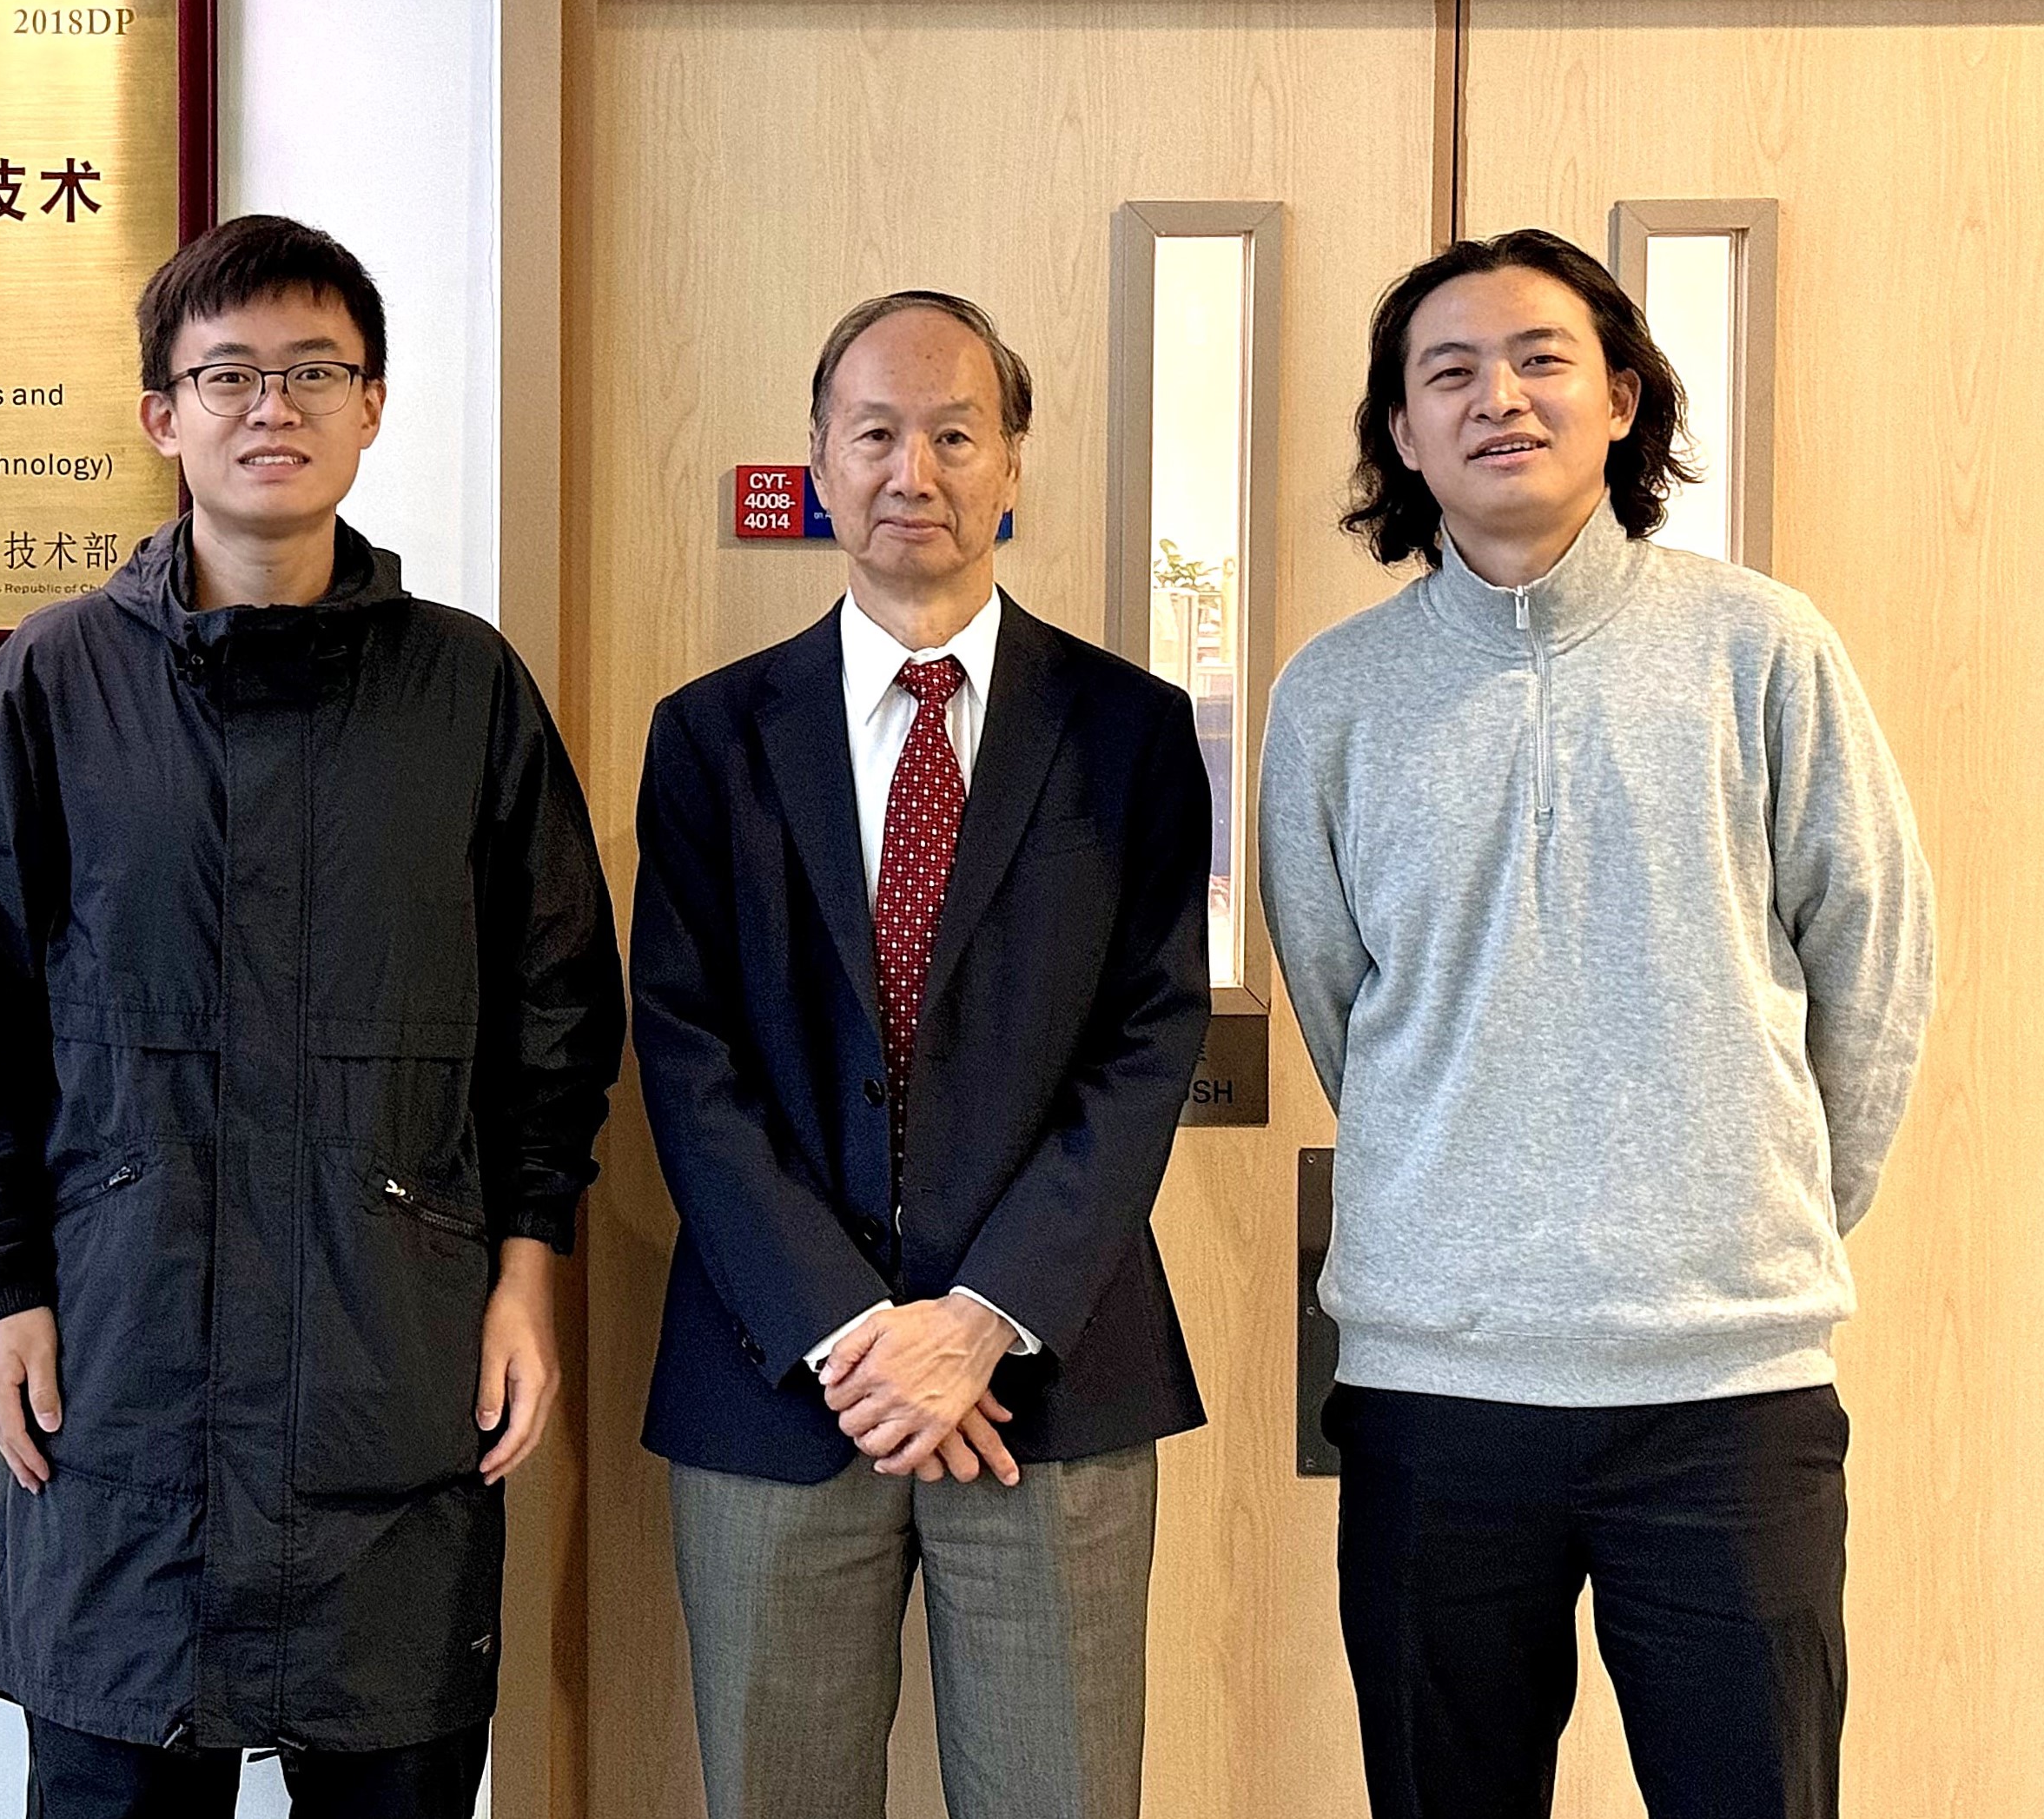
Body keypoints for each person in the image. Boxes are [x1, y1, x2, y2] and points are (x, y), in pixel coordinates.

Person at [0, 214, 626, 1818]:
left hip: (394, 1363)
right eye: (226, 375)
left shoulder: (466, 690)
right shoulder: (58, 682)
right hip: (123, 1369)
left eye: (312, 372)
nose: (268, 408)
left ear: (372, 408)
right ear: (163, 414)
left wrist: (525, 1270)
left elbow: (555, 1010)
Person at [1259, 228, 1936, 1819]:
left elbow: (1876, 962)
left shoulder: (1764, 647)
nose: (1501, 398)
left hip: (1727, 1394)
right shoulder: (1336, 697)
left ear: (1622, 397)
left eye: (1542, 358)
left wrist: (1756, 1210)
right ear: (1404, 436)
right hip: (1438, 1389)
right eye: (1450, 374)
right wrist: (1466, 1182)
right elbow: (1339, 999)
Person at [629, 289, 1212, 1819]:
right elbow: (684, 1056)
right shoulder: (708, 737)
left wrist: (980, 1317)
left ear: (1012, 463)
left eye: (956, 433)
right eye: (875, 432)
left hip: (1049, 1382)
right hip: (777, 1382)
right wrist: (850, 1328)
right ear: (818, 459)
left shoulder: (1132, 735)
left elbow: (1149, 1041)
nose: (915, 470)